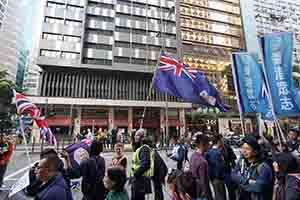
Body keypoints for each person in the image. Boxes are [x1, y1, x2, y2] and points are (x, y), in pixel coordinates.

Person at [231, 135, 273, 200]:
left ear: (255, 152)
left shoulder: (263, 166)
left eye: (247, 149)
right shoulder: (242, 161)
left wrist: (240, 183)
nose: (244, 151)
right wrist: (247, 181)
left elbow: (259, 187)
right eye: (243, 148)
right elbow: (233, 175)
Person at [130, 129, 154, 200]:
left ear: (142, 137)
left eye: (137, 135)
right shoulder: (139, 148)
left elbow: (146, 164)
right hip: (138, 180)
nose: (135, 137)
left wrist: (135, 174)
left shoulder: (144, 149)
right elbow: (133, 144)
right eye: (135, 135)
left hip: (140, 180)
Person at [189, 133, 211, 200]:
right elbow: (204, 181)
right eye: (208, 144)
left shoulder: (193, 156)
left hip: (193, 190)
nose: (209, 146)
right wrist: (208, 195)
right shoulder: (202, 161)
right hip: (201, 193)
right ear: (203, 145)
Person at [206, 134, 226, 200]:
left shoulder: (209, 151)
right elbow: (219, 167)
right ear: (218, 141)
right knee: (221, 196)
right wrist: (220, 176)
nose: (222, 142)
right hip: (218, 179)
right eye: (221, 140)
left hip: (213, 178)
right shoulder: (217, 153)